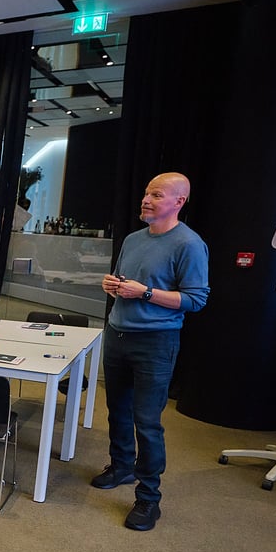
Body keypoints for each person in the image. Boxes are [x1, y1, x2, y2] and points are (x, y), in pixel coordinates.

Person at [94, 171, 209, 531]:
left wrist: (144, 293)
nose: (146, 199)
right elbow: (123, 282)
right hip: (117, 334)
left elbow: (196, 300)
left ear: (179, 202)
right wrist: (113, 286)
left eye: (156, 195)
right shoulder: (132, 239)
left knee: (146, 422)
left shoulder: (189, 244)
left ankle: (148, 498)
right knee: (117, 411)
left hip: (156, 342)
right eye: (146, 193)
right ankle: (121, 466)